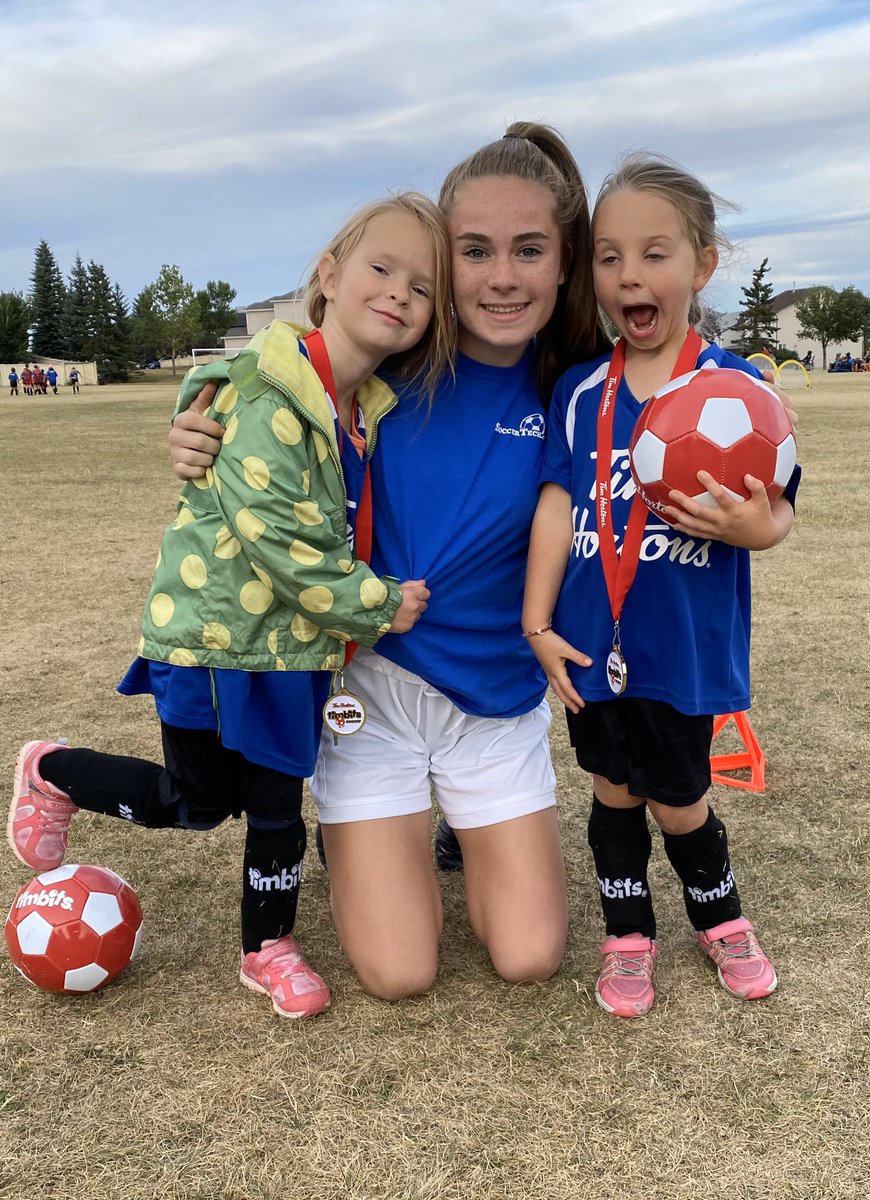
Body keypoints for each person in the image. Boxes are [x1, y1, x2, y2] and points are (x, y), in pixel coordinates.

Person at [170, 123, 610, 1001]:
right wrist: (198, 422)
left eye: (529, 251)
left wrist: (767, 487)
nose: (502, 277)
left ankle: (456, 825)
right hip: (368, 695)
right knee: (399, 974)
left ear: (565, 263)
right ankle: (380, 832)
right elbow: (273, 383)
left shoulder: (580, 390)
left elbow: (687, 394)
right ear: (443, 265)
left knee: (529, 956)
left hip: (494, 706)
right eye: (474, 251)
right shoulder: (381, 372)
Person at [8, 192, 453, 1019]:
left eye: (422, 288)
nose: (400, 293)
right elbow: (280, 541)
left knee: (280, 805)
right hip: (213, 643)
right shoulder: (264, 391)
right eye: (381, 268)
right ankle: (51, 770)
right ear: (328, 273)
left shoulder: (369, 407)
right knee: (198, 803)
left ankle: (267, 947)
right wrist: (379, 605)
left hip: (295, 653)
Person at [522, 153, 801, 1019]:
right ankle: (627, 934)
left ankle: (720, 919)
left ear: (702, 264)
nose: (629, 275)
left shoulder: (738, 390)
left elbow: (777, 509)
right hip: (589, 645)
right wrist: (535, 620)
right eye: (609, 257)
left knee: (680, 799)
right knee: (612, 790)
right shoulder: (579, 393)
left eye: (654, 253)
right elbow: (555, 505)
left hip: (680, 647)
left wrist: (756, 528)